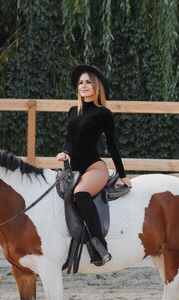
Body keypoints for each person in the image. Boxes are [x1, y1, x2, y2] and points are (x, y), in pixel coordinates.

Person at [56, 64, 132, 266]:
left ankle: (100, 245)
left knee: (80, 195)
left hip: (95, 169)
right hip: (74, 169)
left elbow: (112, 145)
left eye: (88, 82)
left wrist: (122, 174)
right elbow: (69, 140)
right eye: (81, 83)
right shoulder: (73, 111)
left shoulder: (103, 114)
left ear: (96, 86)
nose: (83, 85)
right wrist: (64, 152)